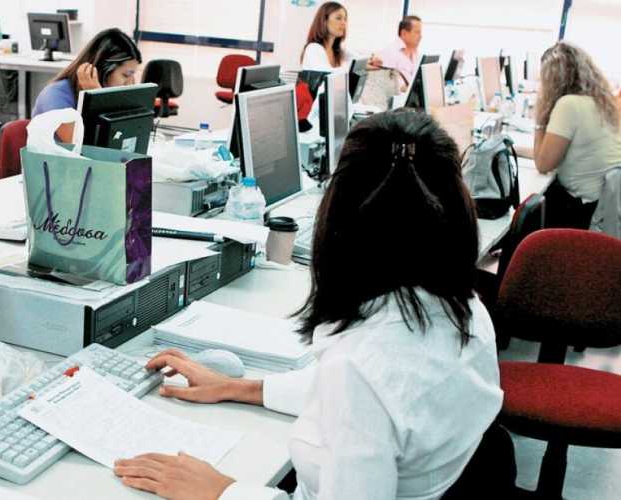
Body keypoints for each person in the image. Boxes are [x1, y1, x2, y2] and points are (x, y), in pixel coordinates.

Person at [114, 111, 503, 500]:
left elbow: (364, 395)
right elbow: (379, 405)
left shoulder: (361, 367)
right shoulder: (464, 310)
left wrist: (222, 492)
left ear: (337, 218)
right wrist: (238, 387)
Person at [533, 41, 621, 229]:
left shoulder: (568, 104)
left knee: (531, 206)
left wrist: (539, 119)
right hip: (604, 203)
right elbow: (560, 149)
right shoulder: (600, 101)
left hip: (582, 210)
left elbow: (543, 164)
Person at [31, 28, 142, 143]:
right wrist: (97, 98)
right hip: (56, 155)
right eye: (126, 75)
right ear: (102, 69)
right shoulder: (56, 95)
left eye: (133, 75)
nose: (131, 83)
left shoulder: (112, 96)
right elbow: (78, 144)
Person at [300, 2, 354, 72]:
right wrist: (353, 68)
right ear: (324, 21)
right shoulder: (313, 48)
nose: (344, 23)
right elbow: (328, 74)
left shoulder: (339, 50)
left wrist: (366, 63)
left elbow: (359, 59)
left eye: (345, 19)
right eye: (338, 18)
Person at [375, 15, 423, 88]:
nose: (420, 36)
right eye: (417, 32)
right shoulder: (390, 53)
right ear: (404, 33)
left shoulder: (415, 52)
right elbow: (385, 86)